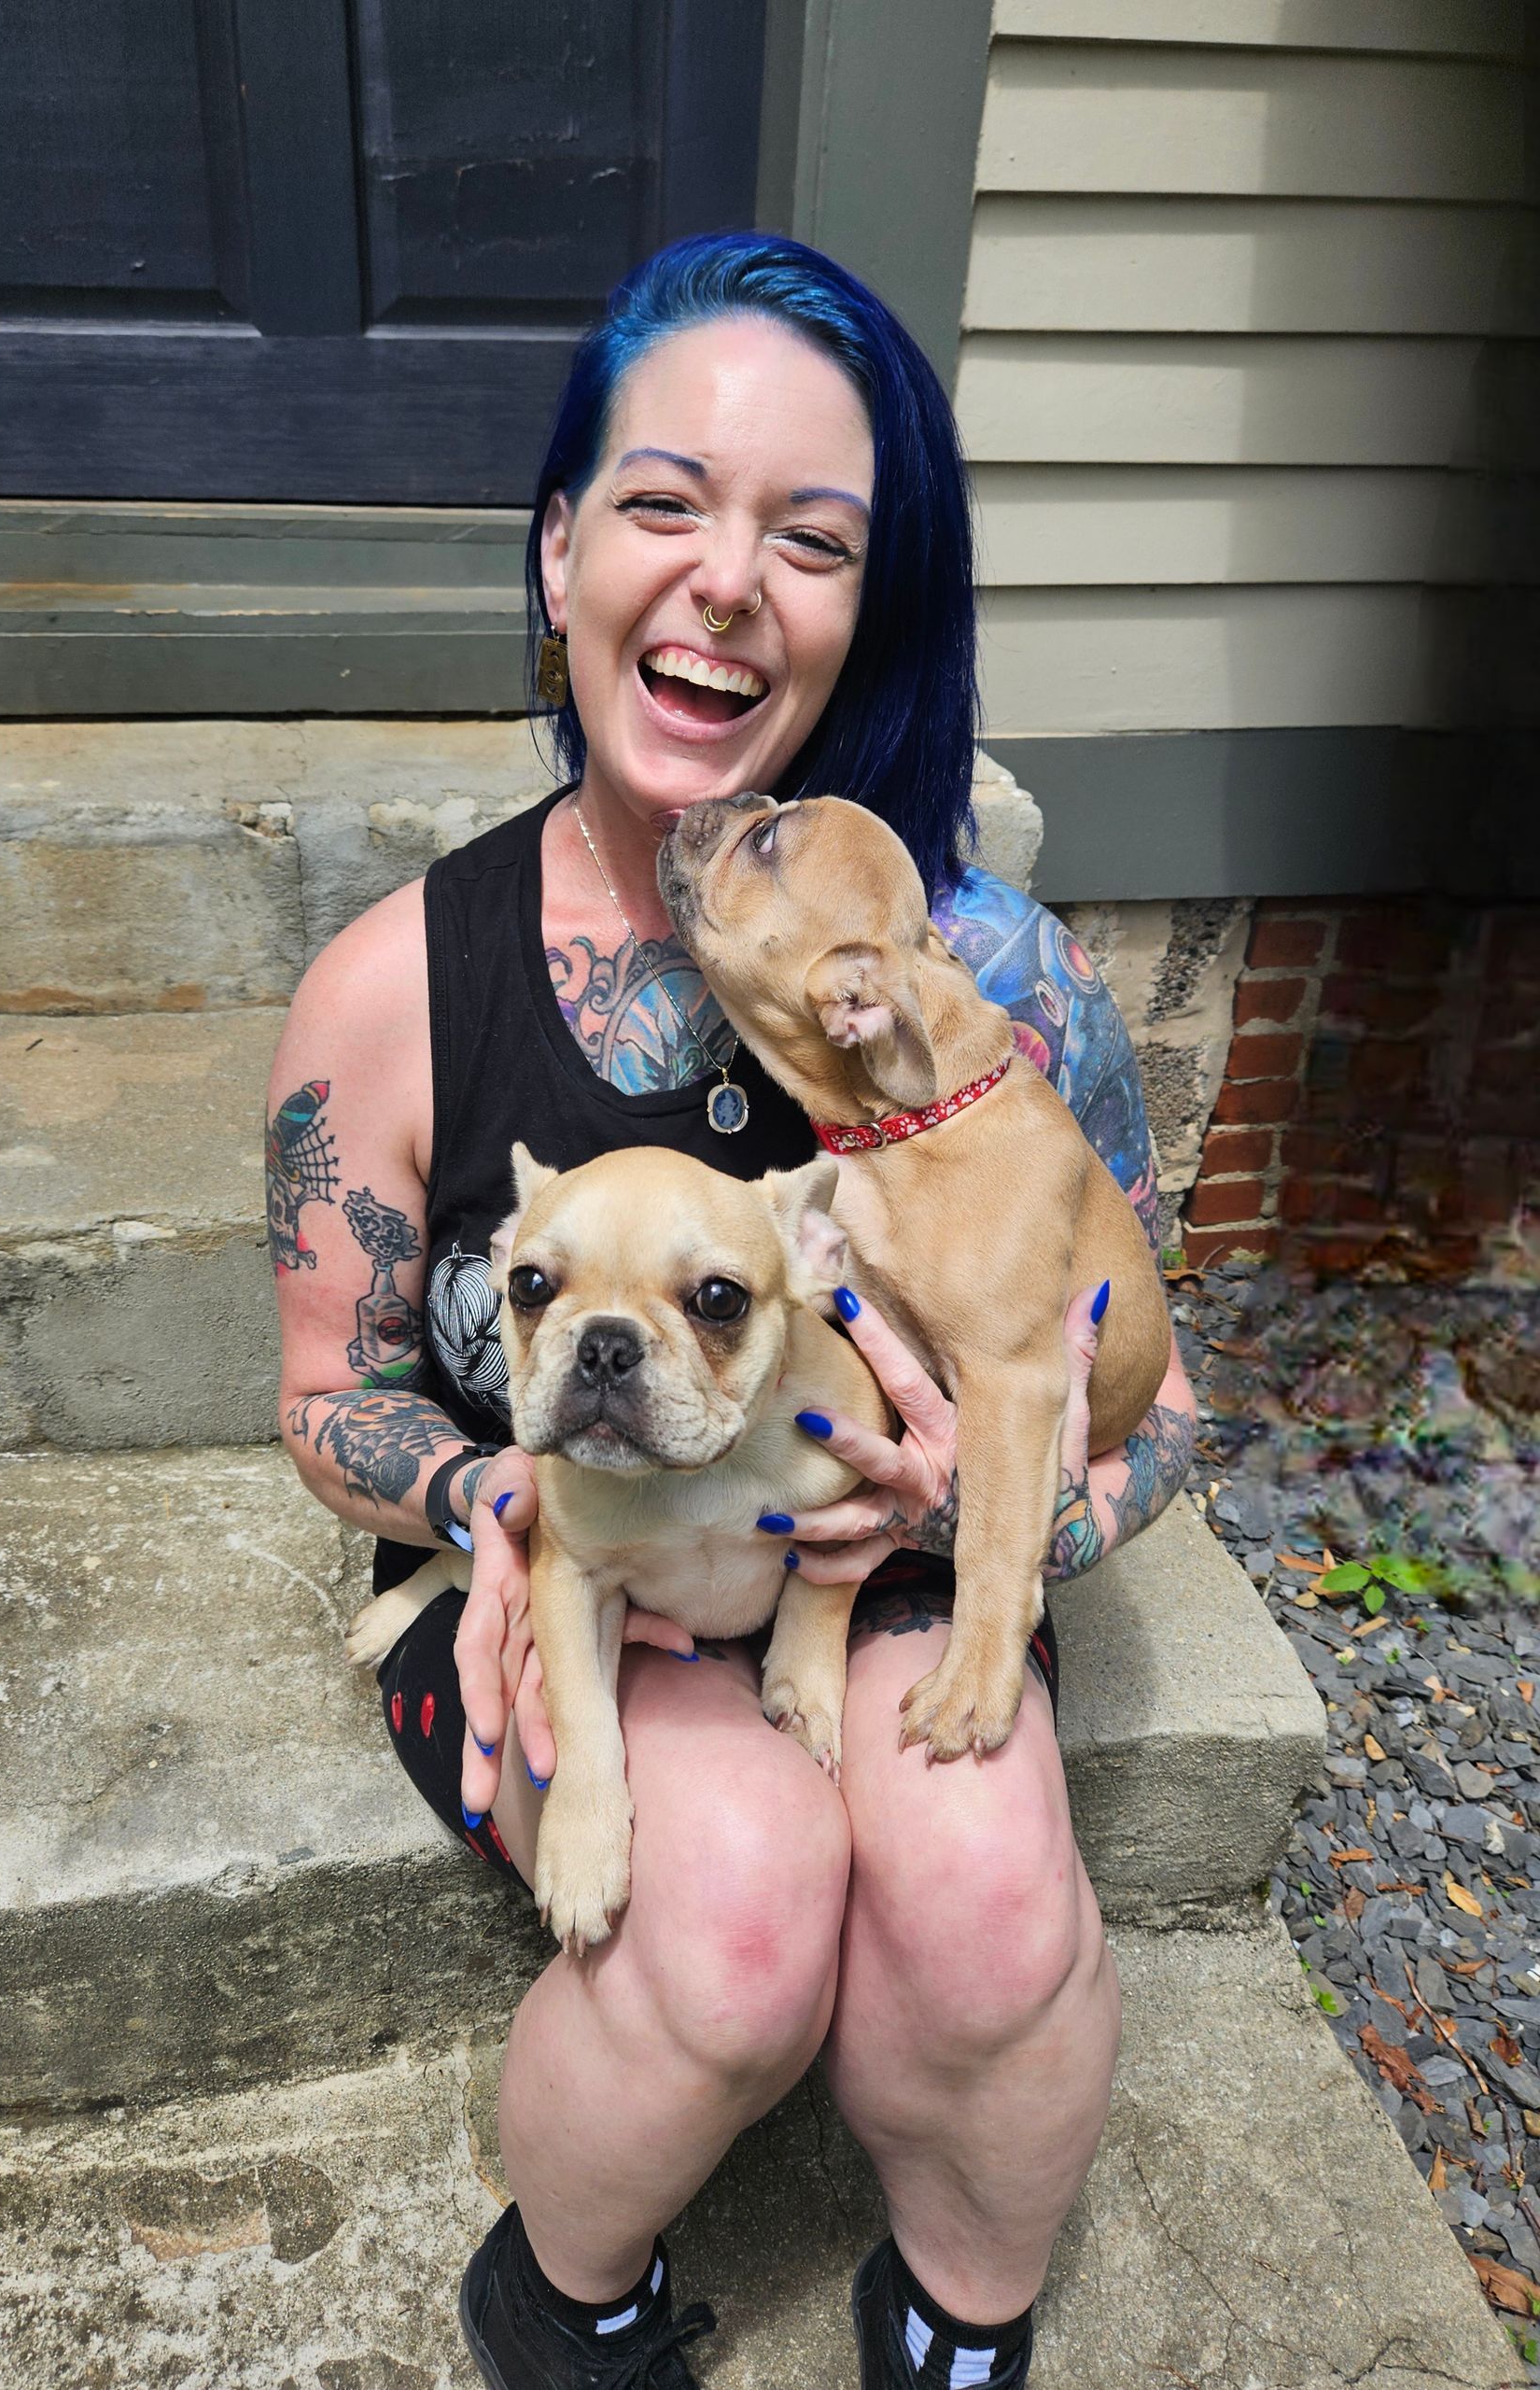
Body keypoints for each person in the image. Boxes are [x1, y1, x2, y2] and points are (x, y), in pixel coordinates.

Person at [267, 233, 1198, 2390]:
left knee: (980, 1909)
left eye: (813, 538)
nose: (726, 582)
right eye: (668, 502)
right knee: (749, 1899)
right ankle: (563, 2295)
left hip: (849, 1538)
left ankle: (959, 2322)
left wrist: (989, 1518)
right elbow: (326, 1396)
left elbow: (1167, 1394)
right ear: (562, 542)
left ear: (868, 607)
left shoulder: (983, 982)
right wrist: (491, 1486)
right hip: (557, 1558)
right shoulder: (400, 987)